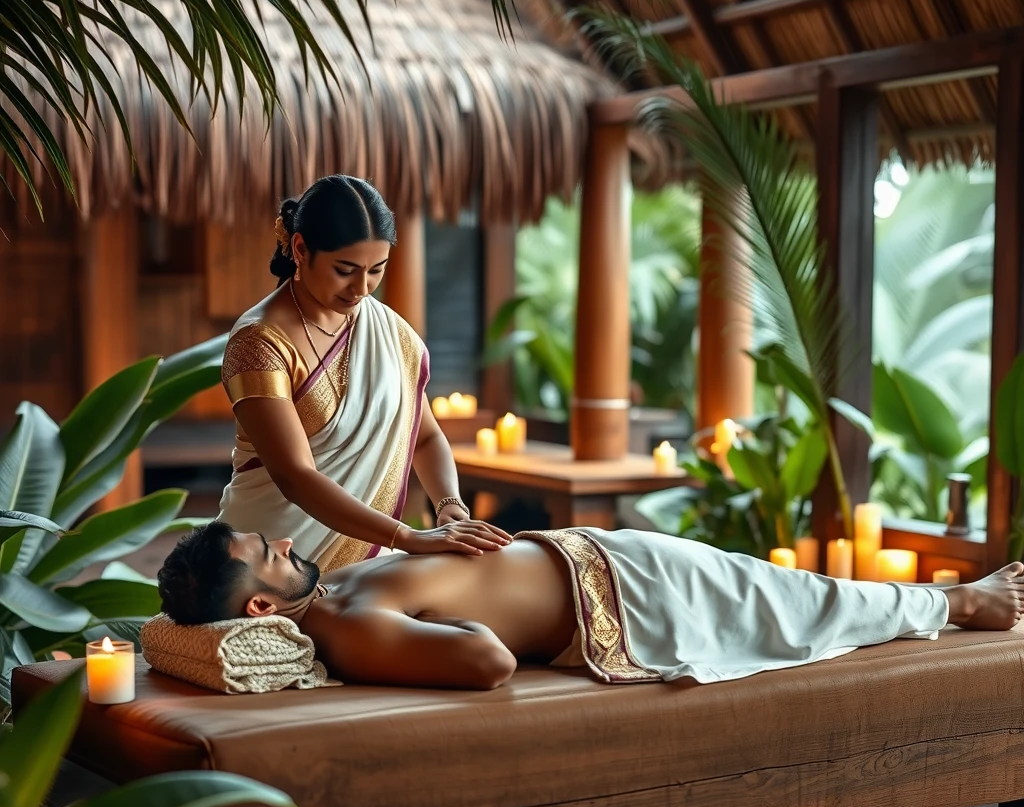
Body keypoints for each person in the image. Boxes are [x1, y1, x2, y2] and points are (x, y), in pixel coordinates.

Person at [157, 522, 1024, 691]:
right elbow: (487, 661)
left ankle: (950, 599)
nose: (280, 543)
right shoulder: (346, 629)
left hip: (597, 556)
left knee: (786, 591)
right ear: (263, 605)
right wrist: (470, 608)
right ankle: (961, 602)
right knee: (796, 602)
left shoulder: (331, 588)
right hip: (616, 600)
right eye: (263, 555)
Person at [216, 174, 510, 570]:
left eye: (377, 269)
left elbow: (424, 437)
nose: (362, 288)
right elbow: (295, 476)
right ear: (301, 249)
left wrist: (450, 507)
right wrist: (406, 537)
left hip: (368, 552)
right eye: (345, 269)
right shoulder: (259, 343)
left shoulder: (388, 332)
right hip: (269, 559)